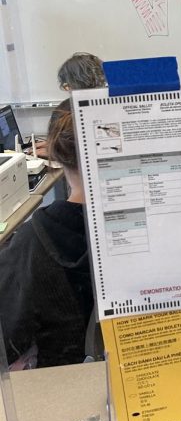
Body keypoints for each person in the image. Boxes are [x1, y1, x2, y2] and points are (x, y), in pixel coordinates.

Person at [0, 100, 94, 368]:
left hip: (57, 379)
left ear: (55, 152)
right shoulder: (153, 231)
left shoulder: (31, 242)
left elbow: (7, 337)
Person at [32, 52, 107, 159]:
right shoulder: (112, 107)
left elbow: (81, 153)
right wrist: (54, 145)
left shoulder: (64, 112)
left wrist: (55, 152)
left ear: (68, 86)